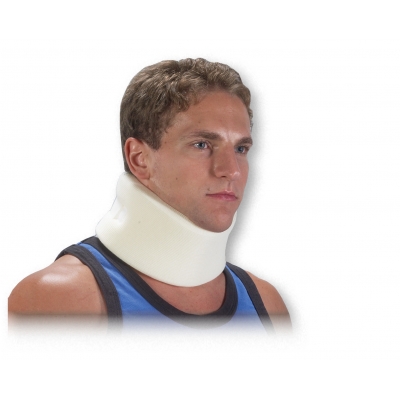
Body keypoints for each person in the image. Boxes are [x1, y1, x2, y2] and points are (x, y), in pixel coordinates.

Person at [8, 58, 291, 332]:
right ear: (139, 158)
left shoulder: (267, 305)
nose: (231, 170)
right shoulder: (59, 300)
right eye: (202, 144)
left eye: (241, 149)